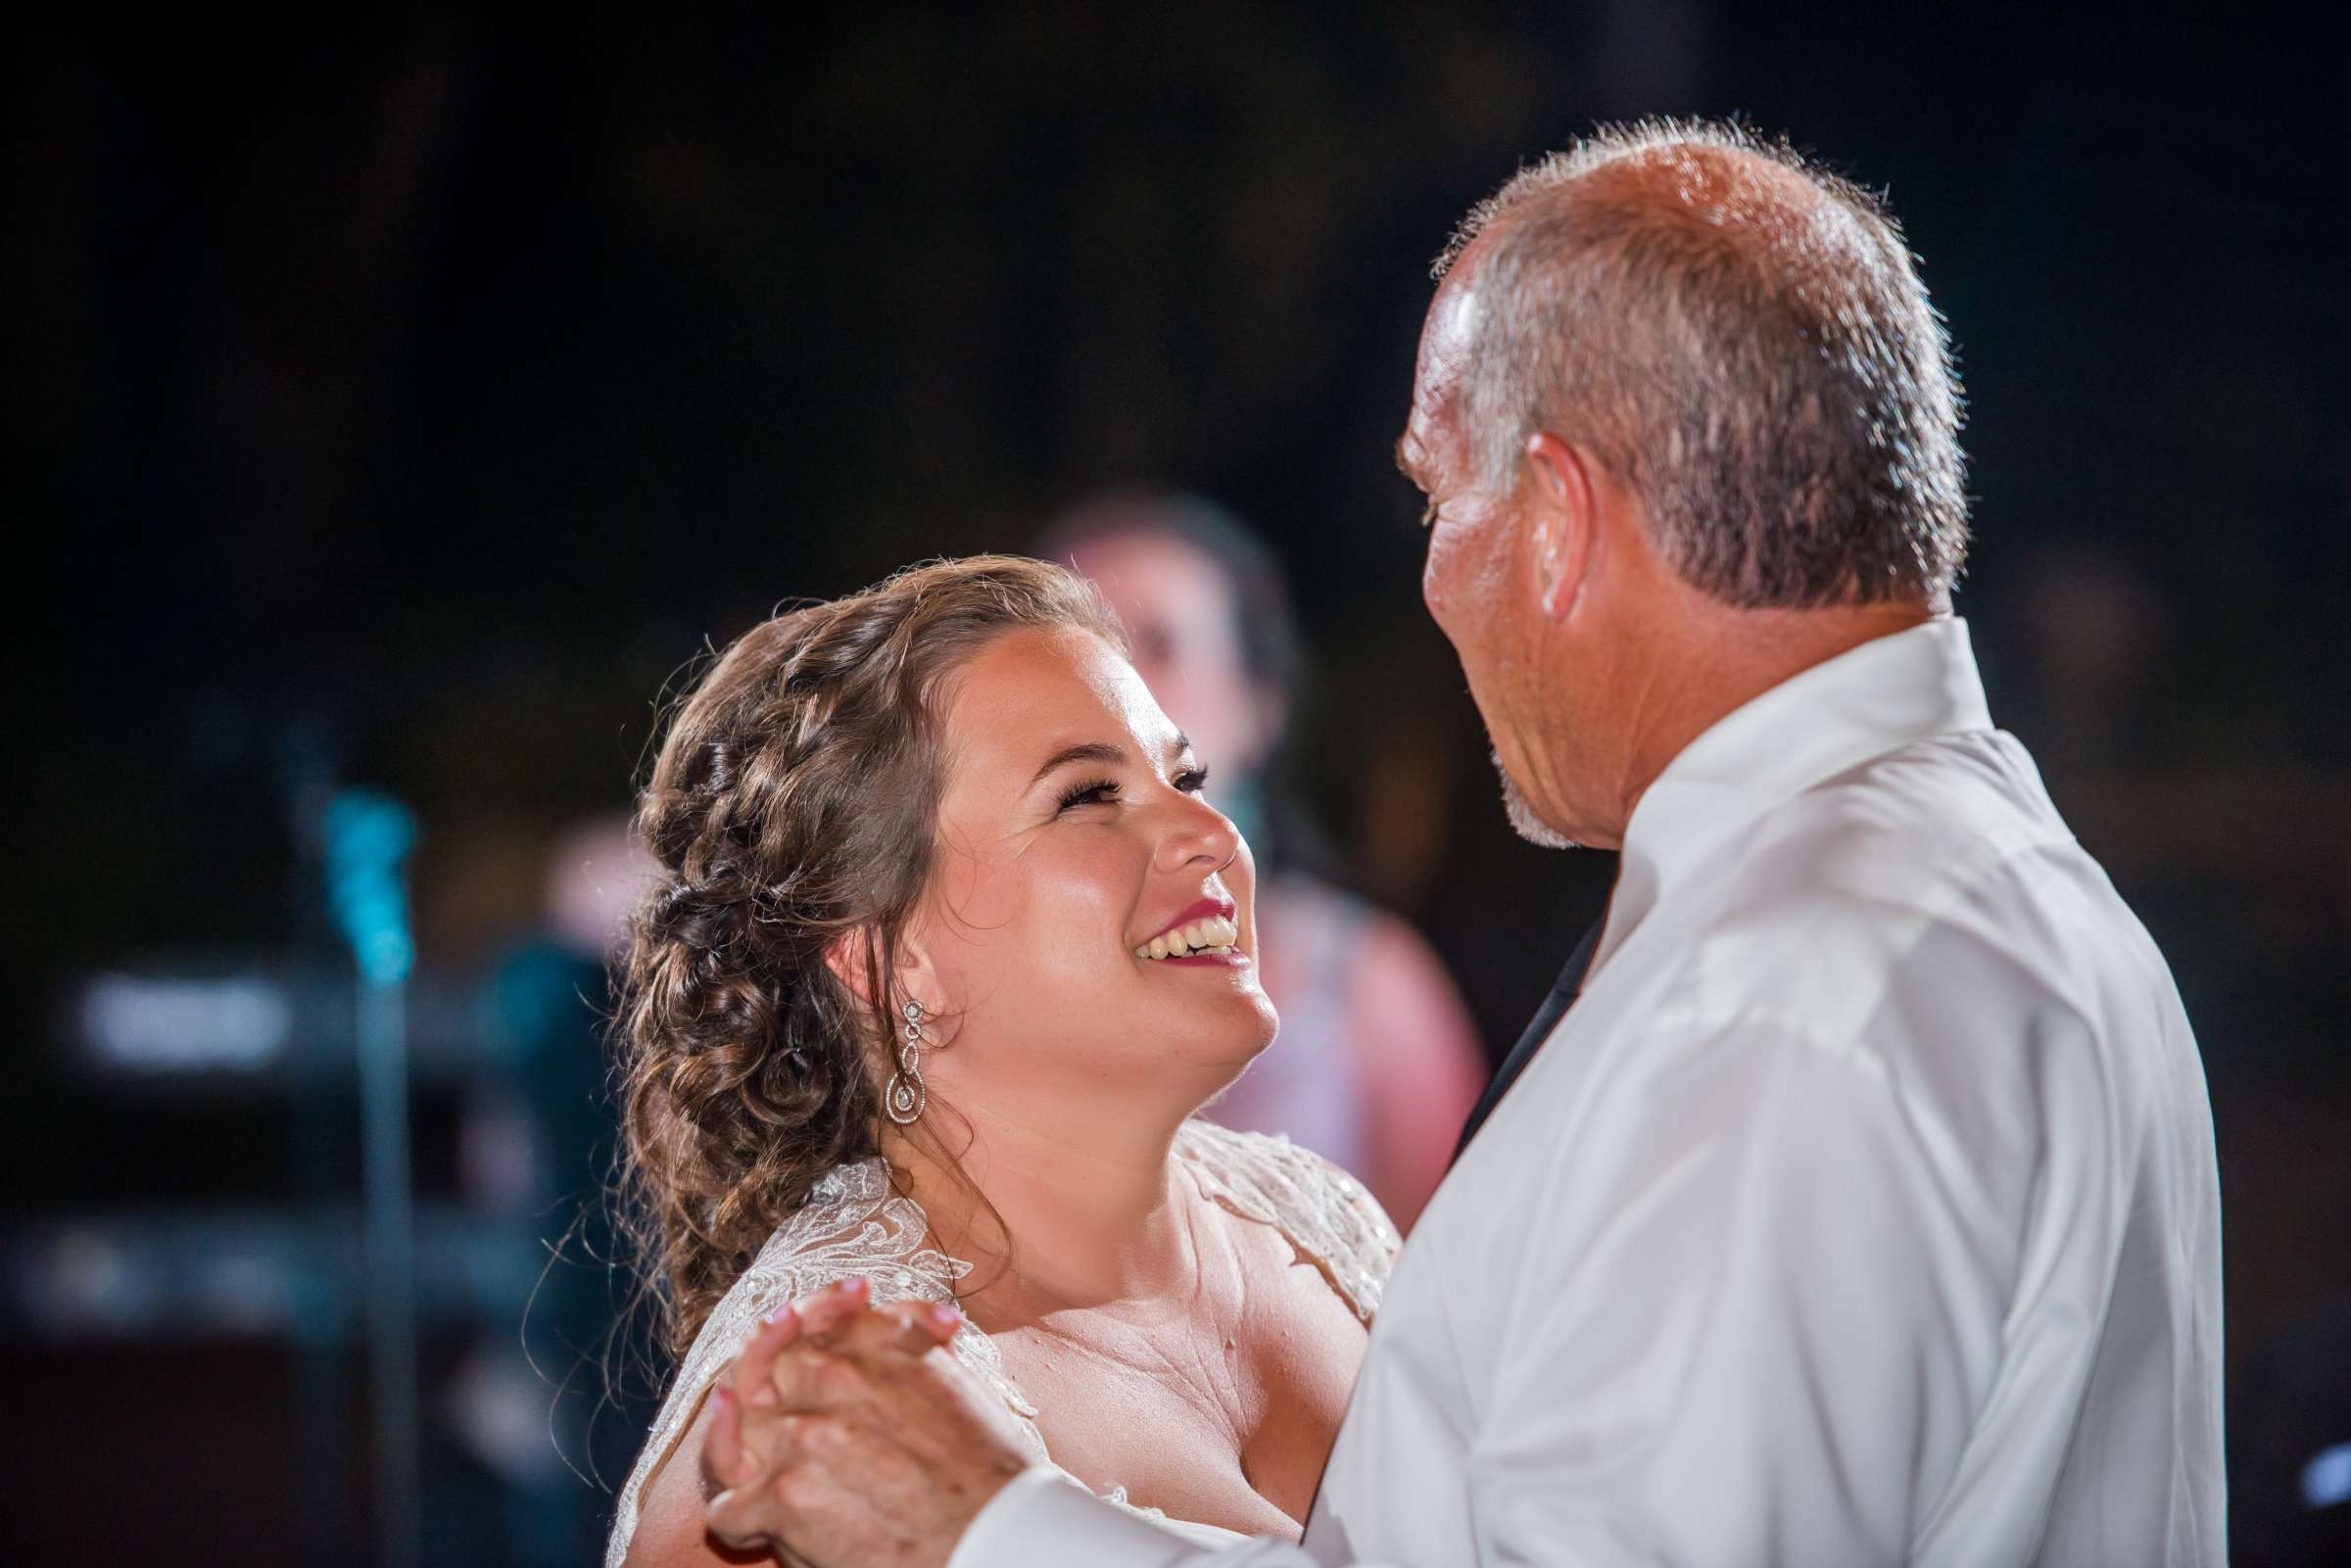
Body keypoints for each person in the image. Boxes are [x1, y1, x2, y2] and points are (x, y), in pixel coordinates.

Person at [691, 119, 2227, 1566]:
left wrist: (997, 1532)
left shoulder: (1790, 998)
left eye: (1439, 493)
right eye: (1087, 790)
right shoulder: (2001, 901)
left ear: (1558, 521)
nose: (1433, 580)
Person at [603, 555, 1402, 1566]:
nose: (1210, 832)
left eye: (1185, 776)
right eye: (1086, 797)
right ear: (892, 956)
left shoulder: (1324, 1228)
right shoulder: (827, 1432)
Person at [1039, 494, 1486, 1230]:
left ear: (1259, 704)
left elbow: (1465, 1287)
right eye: (1068, 646)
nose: (1107, 683)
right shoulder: (964, 973)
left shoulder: (1362, 987)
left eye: (1157, 642)